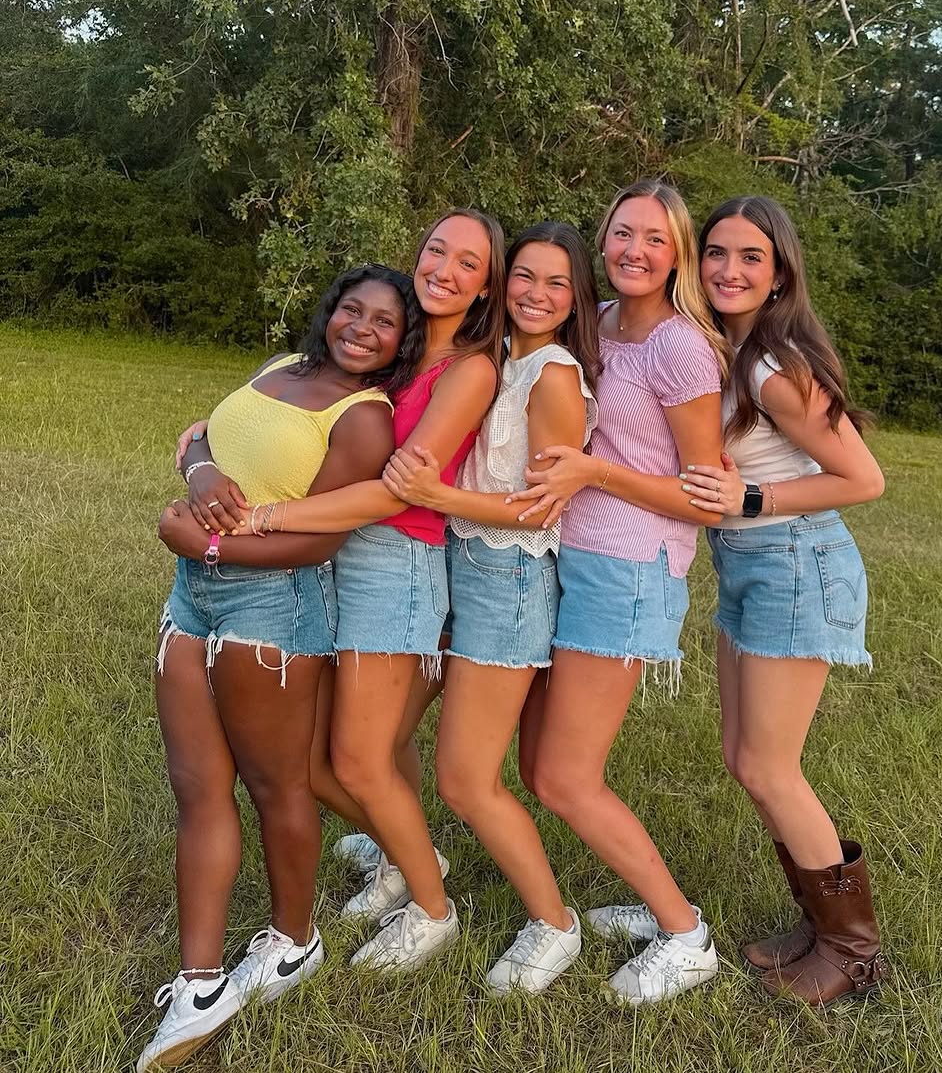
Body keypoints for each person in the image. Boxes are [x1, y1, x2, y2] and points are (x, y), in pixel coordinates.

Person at [140, 265, 422, 1073]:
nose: (362, 328)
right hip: (192, 594)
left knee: (276, 785)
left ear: (401, 343)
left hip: (273, 606)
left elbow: (321, 540)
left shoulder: (363, 417)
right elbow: (207, 436)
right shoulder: (282, 368)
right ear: (329, 311)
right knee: (198, 786)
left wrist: (211, 545)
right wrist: (198, 472)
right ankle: (199, 986)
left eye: (384, 322)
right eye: (352, 309)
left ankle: (294, 940)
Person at [237, 210, 504, 975]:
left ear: (486, 287)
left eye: (468, 263)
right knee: (338, 755)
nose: (445, 269)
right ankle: (402, 857)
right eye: (436, 251)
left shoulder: (469, 370)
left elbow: (397, 491)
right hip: (335, 555)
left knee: (352, 762)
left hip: (395, 566)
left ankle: (433, 907)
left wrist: (267, 517)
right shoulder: (396, 352)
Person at [504, 180, 732, 1005]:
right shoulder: (593, 324)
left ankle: (685, 936)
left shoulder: (681, 348)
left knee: (567, 777)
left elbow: (704, 497)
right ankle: (662, 909)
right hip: (565, 557)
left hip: (630, 572)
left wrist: (595, 472)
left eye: (655, 239)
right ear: (602, 241)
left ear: (677, 256)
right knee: (540, 767)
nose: (635, 250)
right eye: (623, 234)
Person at [381, 222, 600, 993]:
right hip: (455, 564)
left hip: (508, 581)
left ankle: (554, 923)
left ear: (576, 299)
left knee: (467, 780)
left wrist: (436, 495)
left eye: (557, 283)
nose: (536, 294)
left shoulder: (554, 376)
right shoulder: (498, 357)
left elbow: (542, 509)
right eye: (526, 277)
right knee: (387, 733)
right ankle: (401, 854)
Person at [680, 194, 887, 1006]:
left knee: (769, 766)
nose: (728, 270)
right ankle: (817, 924)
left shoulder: (773, 365)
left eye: (750, 258)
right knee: (743, 759)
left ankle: (853, 952)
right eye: (717, 252)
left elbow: (863, 478)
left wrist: (751, 498)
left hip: (796, 561)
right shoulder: (725, 350)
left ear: (778, 276)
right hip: (748, 564)